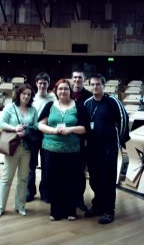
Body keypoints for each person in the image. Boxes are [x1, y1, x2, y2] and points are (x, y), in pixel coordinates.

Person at [38, 78, 89, 221]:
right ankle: (55, 210)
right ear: (56, 91)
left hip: (72, 151)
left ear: (70, 91)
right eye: (60, 88)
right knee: (54, 180)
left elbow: (85, 128)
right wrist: (54, 131)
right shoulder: (49, 105)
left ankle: (71, 210)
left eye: (66, 88)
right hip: (51, 149)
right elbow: (40, 124)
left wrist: (70, 129)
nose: (63, 91)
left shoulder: (79, 106)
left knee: (71, 180)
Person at [84, 74, 130, 224]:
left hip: (108, 148)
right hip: (92, 148)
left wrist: (118, 141)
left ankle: (109, 210)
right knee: (95, 179)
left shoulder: (112, 102)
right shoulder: (87, 103)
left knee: (108, 180)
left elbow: (123, 120)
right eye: (93, 84)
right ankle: (98, 206)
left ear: (104, 85)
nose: (95, 87)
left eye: (98, 84)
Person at [0, 83, 38, 218]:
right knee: (6, 178)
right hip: (12, 147)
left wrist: (27, 131)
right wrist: (15, 128)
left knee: (23, 179)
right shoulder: (10, 107)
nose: (26, 96)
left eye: (29, 94)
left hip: (26, 148)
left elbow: (36, 126)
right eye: (24, 93)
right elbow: (1, 123)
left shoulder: (33, 110)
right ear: (19, 94)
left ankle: (20, 205)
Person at [26, 72, 56, 203]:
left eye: (45, 83)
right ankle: (29, 192)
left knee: (46, 165)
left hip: (46, 133)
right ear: (36, 83)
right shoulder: (31, 98)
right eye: (40, 83)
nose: (42, 85)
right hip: (32, 134)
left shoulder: (53, 99)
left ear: (48, 84)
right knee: (30, 165)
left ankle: (45, 192)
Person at [71, 69, 92, 211]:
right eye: (75, 77)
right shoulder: (65, 93)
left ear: (83, 80)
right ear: (72, 79)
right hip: (66, 139)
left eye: (80, 77)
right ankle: (66, 198)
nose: (77, 80)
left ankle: (79, 199)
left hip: (81, 140)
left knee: (79, 172)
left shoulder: (89, 96)